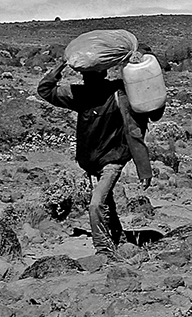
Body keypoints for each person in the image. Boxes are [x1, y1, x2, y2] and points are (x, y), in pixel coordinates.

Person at [37, 52, 162, 259]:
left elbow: (142, 120)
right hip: (92, 160)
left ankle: (103, 249)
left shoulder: (119, 93)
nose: (89, 78)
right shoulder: (80, 94)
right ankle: (118, 237)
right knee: (106, 200)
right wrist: (62, 65)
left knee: (96, 203)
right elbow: (45, 90)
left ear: (102, 73)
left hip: (113, 159)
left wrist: (136, 66)